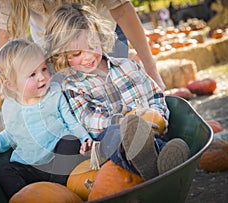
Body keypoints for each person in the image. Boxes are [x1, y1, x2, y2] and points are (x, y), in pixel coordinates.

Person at [44, 2, 190, 180]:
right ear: (63, 56)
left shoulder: (128, 66)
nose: (88, 57)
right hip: (111, 145)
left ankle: (158, 160)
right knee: (115, 136)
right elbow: (88, 120)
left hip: (149, 132)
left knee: (152, 139)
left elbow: (155, 95)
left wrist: (156, 117)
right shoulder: (73, 86)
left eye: (92, 46)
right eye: (76, 54)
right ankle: (156, 164)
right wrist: (126, 122)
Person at [0, 39, 93, 199]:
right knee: (5, 172)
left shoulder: (54, 94)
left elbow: (71, 122)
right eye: (32, 74)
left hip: (57, 161)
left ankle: (59, 191)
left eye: (44, 69)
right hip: (30, 166)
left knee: (70, 141)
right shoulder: (11, 106)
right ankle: (28, 198)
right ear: (12, 85)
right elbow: (12, 134)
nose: (42, 77)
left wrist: (85, 138)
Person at [0, 0, 166, 90]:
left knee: (116, 88)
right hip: (54, 48)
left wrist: (151, 71)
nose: (87, 58)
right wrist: (9, 94)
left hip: (99, 36)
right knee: (73, 101)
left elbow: (121, 9)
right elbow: (7, 32)